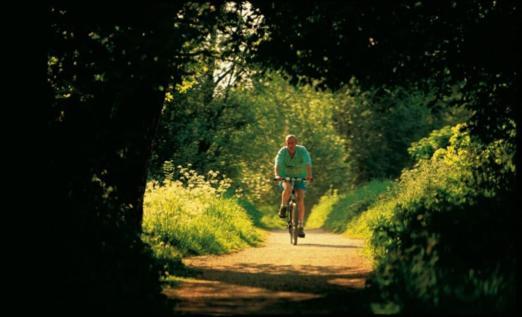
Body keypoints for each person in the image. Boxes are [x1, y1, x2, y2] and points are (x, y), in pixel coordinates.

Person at [274, 134, 313, 238]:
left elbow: (308, 164)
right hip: (285, 176)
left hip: (300, 176)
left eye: (292, 143)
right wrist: (277, 175)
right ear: (285, 143)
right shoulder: (282, 152)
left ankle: (300, 225)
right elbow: (277, 164)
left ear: (296, 143)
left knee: (300, 198)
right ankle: (283, 206)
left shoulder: (302, 151)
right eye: (288, 143)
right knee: (288, 187)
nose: (290, 145)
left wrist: (309, 176)